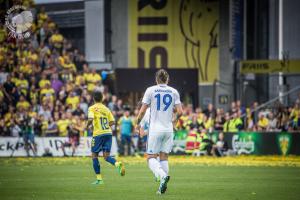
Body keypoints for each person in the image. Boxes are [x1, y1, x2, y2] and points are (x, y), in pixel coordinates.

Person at [135, 69, 183, 195]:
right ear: (168, 79)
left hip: (155, 129)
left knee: (150, 157)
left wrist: (137, 123)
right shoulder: (174, 91)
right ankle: (163, 185)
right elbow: (180, 112)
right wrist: (174, 121)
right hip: (168, 130)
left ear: (156, 79)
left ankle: (162, 177)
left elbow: (142, 111)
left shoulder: (150, 90)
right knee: (164, 158)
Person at [86, 90, 125, 185]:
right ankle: (117, 163)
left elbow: (90, 119)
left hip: (98, 134)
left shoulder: (92, 108)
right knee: (106, 156)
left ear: (93, 98)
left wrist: (87, 126)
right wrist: (104, 125)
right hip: (108, 133)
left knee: (94, 155)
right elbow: (112, 122)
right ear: (102, 99)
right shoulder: (106, 109)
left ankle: (99, 179)